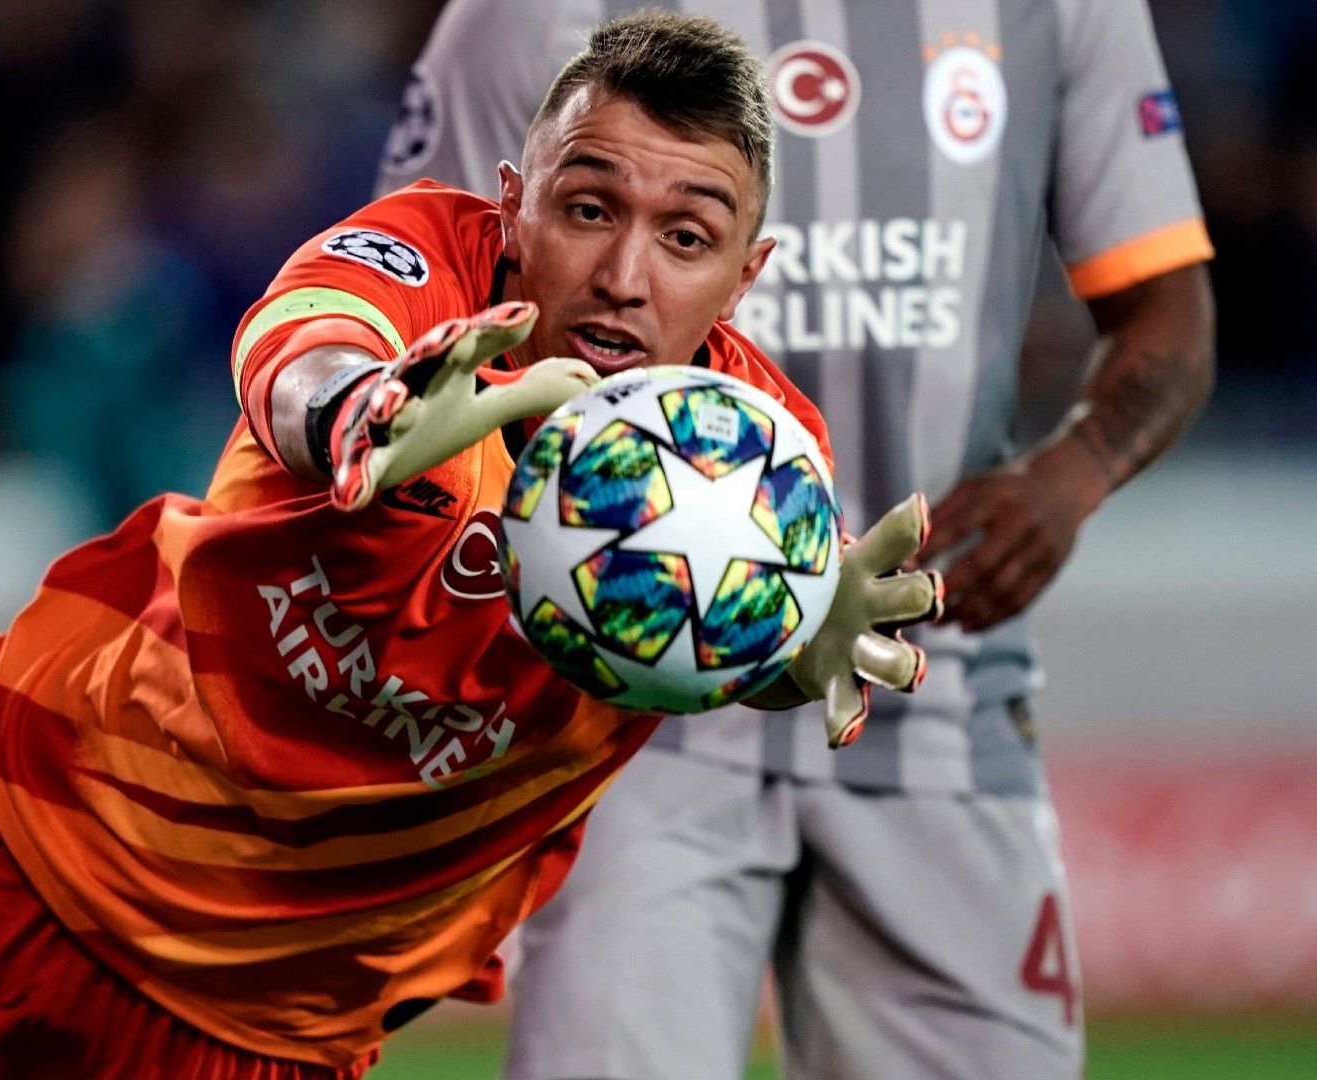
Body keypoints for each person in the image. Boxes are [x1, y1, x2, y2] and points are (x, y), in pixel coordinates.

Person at [0, 14, 942, 1080]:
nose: (625, 275)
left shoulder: (756, 489)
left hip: (255, 1022)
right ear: (514, 204)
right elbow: (301, 351)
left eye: (686, 237)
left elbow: (708, 653)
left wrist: (774, 652)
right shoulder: (423, 271)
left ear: (748, 274)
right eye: (587, 210)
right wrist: (368, 411)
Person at [379, 1, 1216, 1077]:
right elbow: (423, 309)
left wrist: (1072, 474)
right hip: (623, 723)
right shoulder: (529, 16)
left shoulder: (1059, 11)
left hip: (934, 690)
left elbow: (1170, 314)